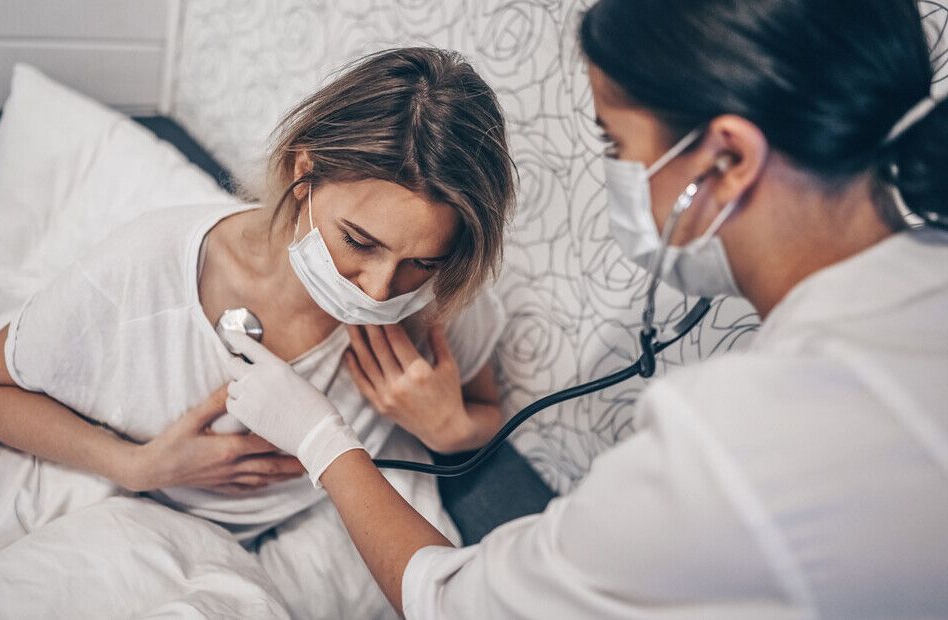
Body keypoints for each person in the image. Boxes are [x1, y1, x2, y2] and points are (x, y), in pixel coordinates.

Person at [219, 0, 948, 617]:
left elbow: (455, 602)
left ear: (725, 162)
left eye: (615, 141)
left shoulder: (732, 439)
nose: (380, 290)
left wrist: (322, 439)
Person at [0, 46, 514, 575]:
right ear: (304, 172)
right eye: (359, 242)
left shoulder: (435, 297)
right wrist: (137, 465)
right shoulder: (150, 263)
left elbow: (485, 410)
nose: (379, 291)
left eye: (420, 262)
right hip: (118, 515)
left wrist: (448, 429)